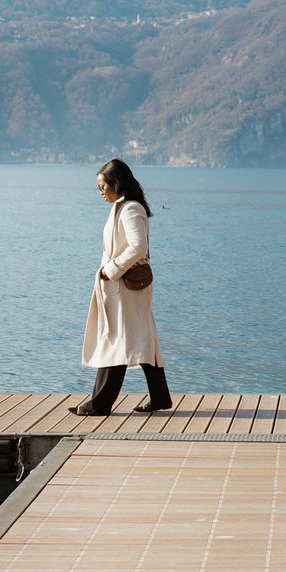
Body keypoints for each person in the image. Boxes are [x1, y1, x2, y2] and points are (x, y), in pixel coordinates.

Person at [70, 159, 173, 416]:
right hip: (125, 288)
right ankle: (160, 397)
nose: (101, 192)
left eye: (103, 186)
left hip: (124, 287)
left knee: (116, 340)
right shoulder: (122, 207)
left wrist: (111, 269)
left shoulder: (129, 209)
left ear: (116, 183)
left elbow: (138, 246)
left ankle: (99, 403)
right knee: (141, 338)